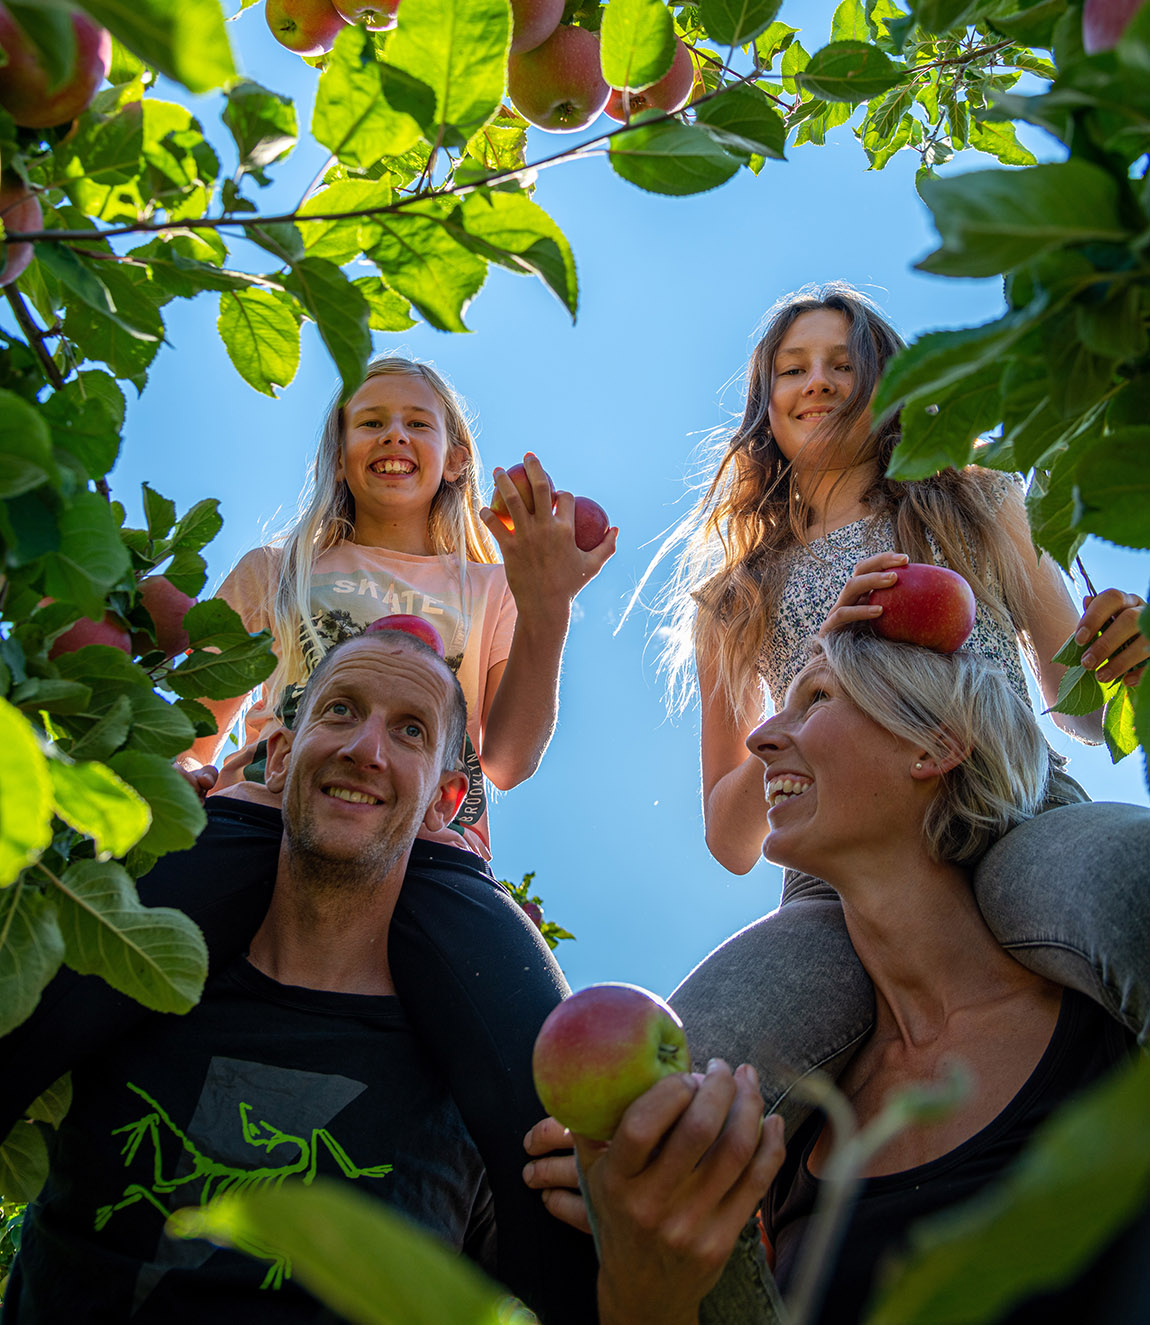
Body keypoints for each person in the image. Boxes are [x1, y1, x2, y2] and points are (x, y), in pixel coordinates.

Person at [2, 359, 610, 1320]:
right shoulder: (282, 567)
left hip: (436, 853)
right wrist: (187, 774)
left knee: (539, 1089)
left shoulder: (485, 587)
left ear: (455, 457)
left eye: (419, 422)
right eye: (370, 421)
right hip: (257, 817)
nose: (395, 437)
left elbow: (511, 756)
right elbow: (206, 720)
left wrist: (547, 604)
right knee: (80, 972)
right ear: (338, 449)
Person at [654, 283, 1150, 1125]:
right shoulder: (737, 599)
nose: (817, 381)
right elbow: (731, 838)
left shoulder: (980, 504)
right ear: (762, 406)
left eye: (842, 364)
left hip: (1013, 805)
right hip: (837, 887)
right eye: (792, 368)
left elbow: (1080, 708)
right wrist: (818, 671)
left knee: (1129, 890)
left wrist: (1125, 658)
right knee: (678, 1085)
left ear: (887, 386)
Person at [562, 631, 1146, 1325]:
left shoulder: (1109, 1030)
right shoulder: (782, 1139)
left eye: (815, 699)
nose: (761, 741)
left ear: (934, 743)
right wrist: (644, 1295)